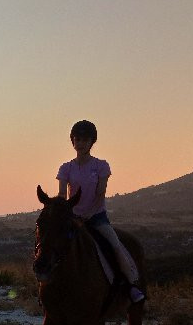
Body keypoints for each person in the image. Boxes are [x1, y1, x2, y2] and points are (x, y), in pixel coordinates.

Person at [56, 120, 146, 303]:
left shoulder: (101, 166)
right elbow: (62, 194)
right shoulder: (66, 168)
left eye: (84, 140)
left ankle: (131, 285)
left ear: (91, 142)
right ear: (72, 141)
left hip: (97, 218)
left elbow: (100, 192)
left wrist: (90, 213)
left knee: (115, 245)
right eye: (77, 139)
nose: (80, 143)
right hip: (74, 218)